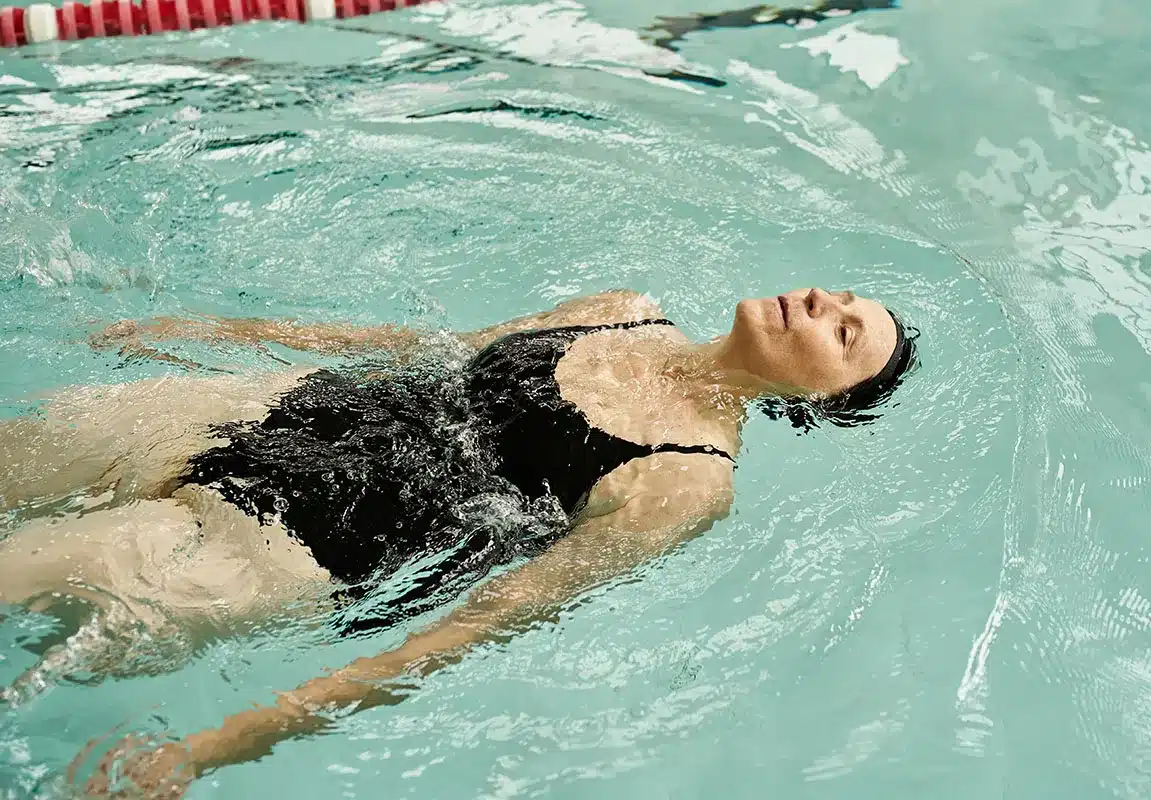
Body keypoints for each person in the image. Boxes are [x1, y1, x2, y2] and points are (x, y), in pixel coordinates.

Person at [0, 287, 916, 795]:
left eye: (845, 334)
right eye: (842, 296)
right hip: (264, 412)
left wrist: (214, 747)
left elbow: (485, 622)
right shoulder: (625, 305)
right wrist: (208, 332)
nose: (821, 301)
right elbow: (413, 349)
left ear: (817, 401)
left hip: (285, 541)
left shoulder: (685, 480)